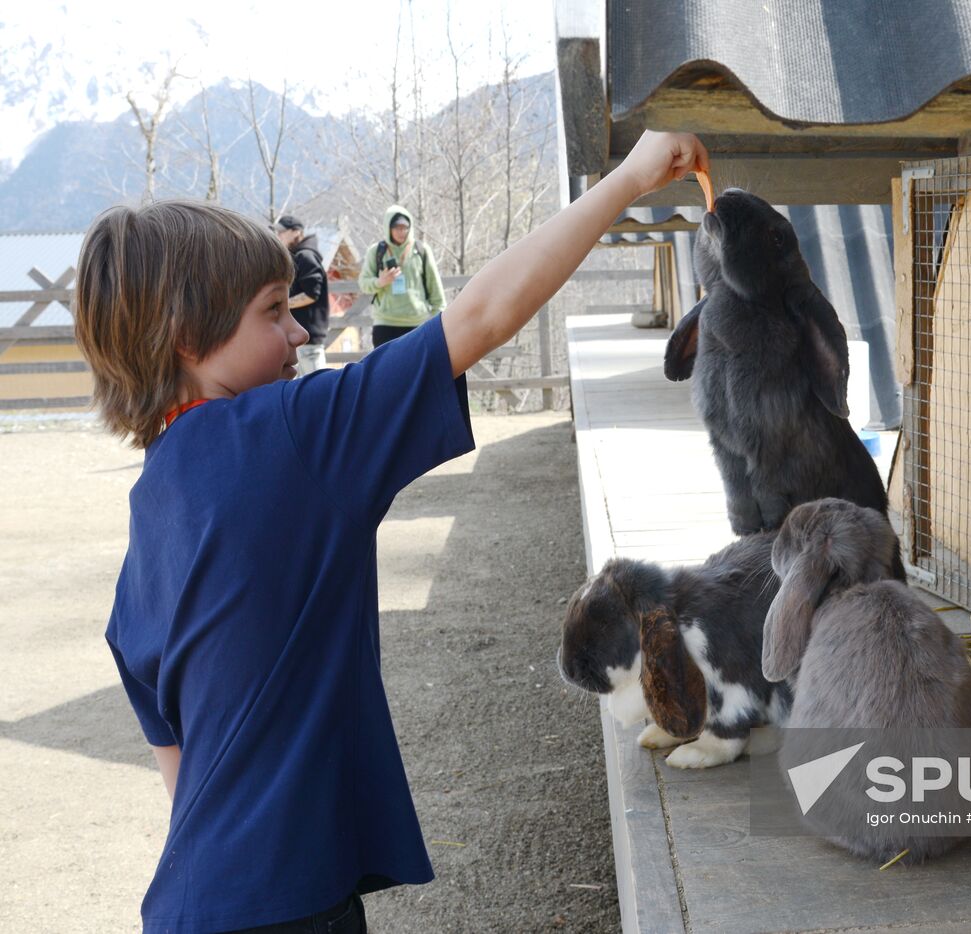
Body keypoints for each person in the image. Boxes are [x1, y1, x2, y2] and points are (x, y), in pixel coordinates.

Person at [71, 130, 708, 933]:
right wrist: (631, 175)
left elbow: (182, 776)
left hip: (196, 904)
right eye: (273, 314)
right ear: (187, 340)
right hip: (293, 909)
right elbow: (479, 315)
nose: (300, 335)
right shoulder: (291, 437)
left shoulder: (147, 522)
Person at [356, 205, 470, 409]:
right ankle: (388, 412)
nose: (402, 231)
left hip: (416, 322)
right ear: (388, 227)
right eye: (397, 227)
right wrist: (380, 281)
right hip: (386, 322)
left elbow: (435, 289)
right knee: (384, 373)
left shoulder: (420, 250)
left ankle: (418, 412)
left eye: (406, 227)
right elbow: (364, 283)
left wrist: (439, 320)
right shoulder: (377, 251)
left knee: (417, 372)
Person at [274, 214, 330, 376]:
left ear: (296, 232)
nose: (279, 236)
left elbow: (312, 293)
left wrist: (283, 304)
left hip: (309, 335)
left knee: (318, 386)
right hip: (302, 335)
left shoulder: (305, 256)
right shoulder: (300, 255)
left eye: (282, 232)